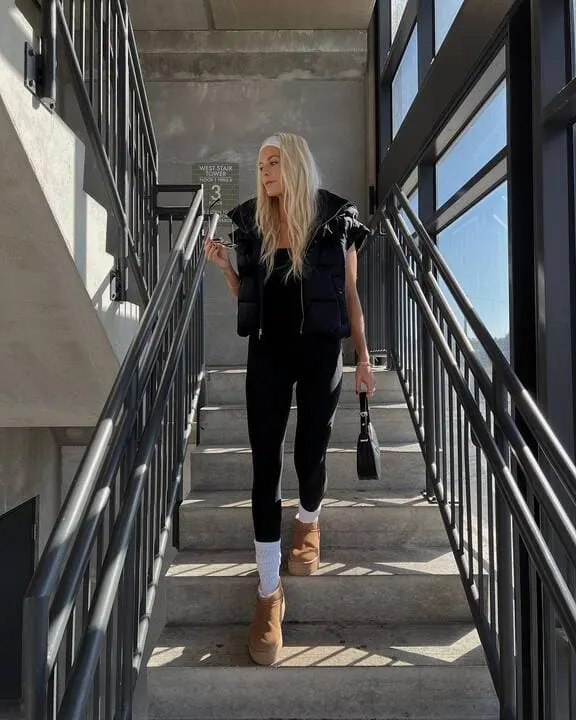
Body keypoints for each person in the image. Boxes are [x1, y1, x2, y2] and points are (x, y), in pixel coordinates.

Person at [204, 132, 375, 666]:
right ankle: (268, 592)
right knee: (264, 468)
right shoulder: (252, 226)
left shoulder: (336, 222)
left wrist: (364, 358)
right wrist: (226, 268)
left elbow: (348, 294)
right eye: (260, 164)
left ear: (297, 164)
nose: (266, 170)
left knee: (311, 452)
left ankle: (308, 518)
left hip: (322, 351)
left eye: (274, 162)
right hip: (269, 354)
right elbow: (247, 293)